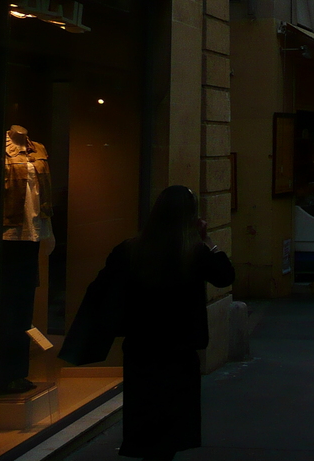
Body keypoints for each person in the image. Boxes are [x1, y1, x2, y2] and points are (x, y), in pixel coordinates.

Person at [107, 185, 234, 460]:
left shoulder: (130, 250)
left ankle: (146, 451)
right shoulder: (193, 252)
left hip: (142, 343)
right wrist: (208, 240)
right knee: (173, 409)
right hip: (180, 345)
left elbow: (107, 291)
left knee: (144, 405)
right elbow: (225, 275)